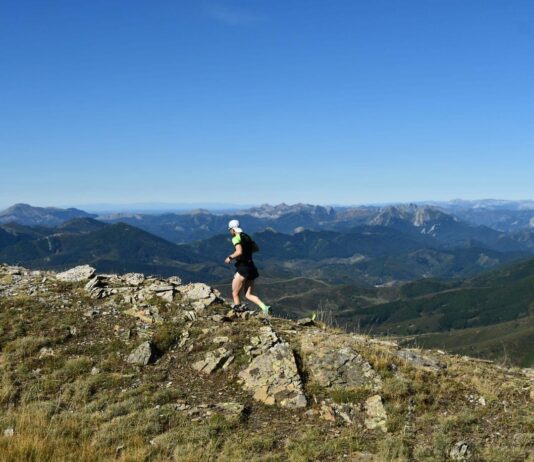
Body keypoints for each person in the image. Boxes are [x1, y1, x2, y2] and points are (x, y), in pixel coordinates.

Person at [224, 219, 271, 315]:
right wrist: (247, 251)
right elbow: (256, 249)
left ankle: (239, 314)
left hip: (243, 268)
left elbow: (239, 252)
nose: (230, 232)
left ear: (233, 229)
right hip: (251, 267)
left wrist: (230, 257)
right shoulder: (247, 237)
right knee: (248, 294)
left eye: (230, 230)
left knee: (235, 293)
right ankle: (264, 307)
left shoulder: (236, 238)